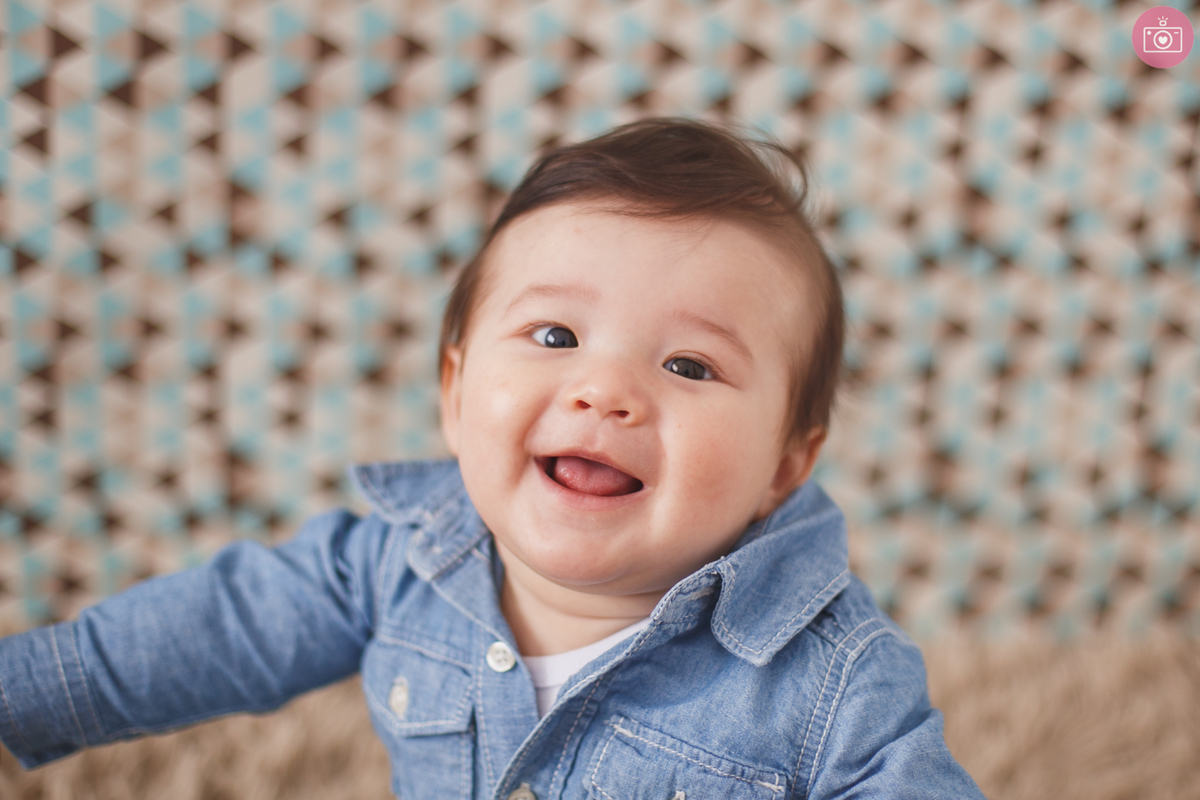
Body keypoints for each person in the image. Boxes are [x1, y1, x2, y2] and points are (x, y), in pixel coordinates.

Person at [0, 118, 984, 799]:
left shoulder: (834, 679)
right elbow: (198, 636)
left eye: (689, 362)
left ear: (786, 462)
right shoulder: (398, 560)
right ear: (455, 387)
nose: (606, 390)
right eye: (554, 335)